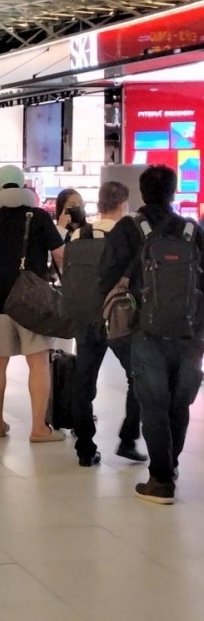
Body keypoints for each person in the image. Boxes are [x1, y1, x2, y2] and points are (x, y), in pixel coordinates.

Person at [100, 165, 204, 503]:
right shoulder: (192, 230)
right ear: (174, 192)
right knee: (180, 402)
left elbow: (105, 278)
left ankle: (160, 480)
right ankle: (170, 466)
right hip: (190, 332)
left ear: (142, 193)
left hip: (145, 331)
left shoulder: (128, 228)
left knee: (153, 403)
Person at [0, 165, 66, 442]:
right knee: (38, 362)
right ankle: (38, 428)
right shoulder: (38, 217)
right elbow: (60, 254)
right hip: (33, 303)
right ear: (24, 187)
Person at [71, 180, 145, 468]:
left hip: (85, 316)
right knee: (137, 377)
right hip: (118, 317)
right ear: (123, 204)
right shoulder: (128, 235)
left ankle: (85, 448)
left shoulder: (79, 234)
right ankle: (128, 438)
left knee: (83, 382)